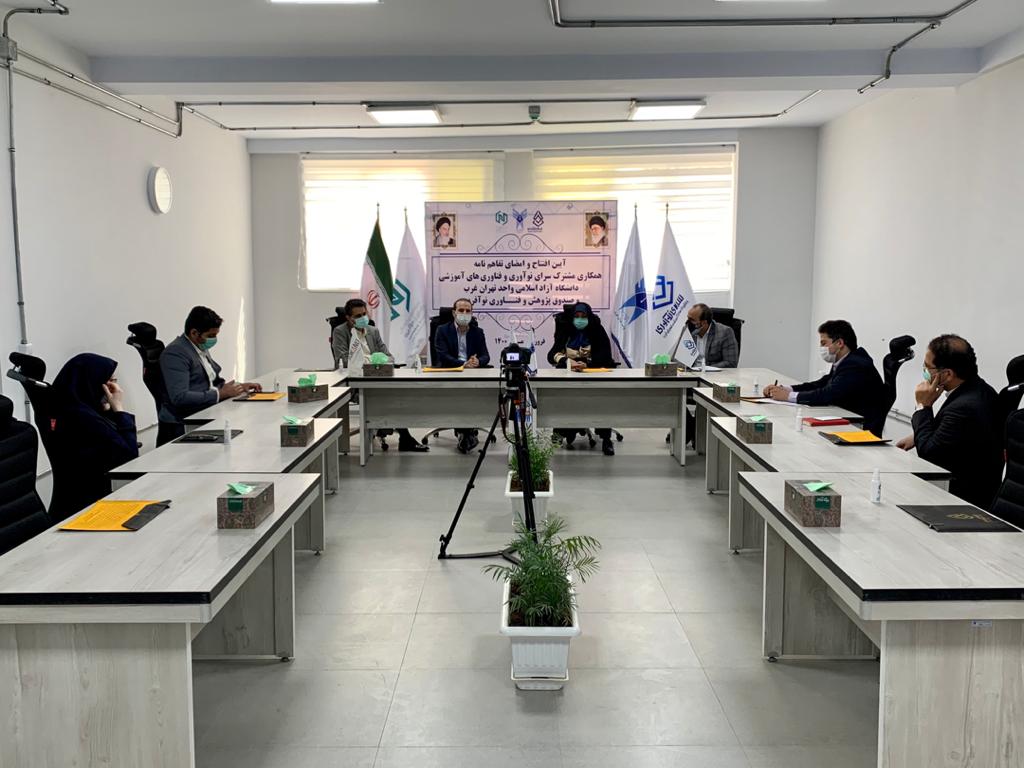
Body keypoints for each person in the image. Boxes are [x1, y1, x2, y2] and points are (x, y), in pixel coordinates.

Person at [896, 335, 1003, 508]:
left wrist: (923, 406)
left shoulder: (964, 407)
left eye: (927, 366)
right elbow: (953, 433)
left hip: (962, 498)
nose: (924, 370)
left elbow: (929, 453)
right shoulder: (978, 389)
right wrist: (917, 435)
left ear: (947, 374)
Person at [48, 353, 139, 522]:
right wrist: (119, 409)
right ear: (93, 382)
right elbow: (129, 458)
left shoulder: (69, 408)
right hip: (90, 509)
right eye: (109, 381)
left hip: (75, 503)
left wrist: (106, 410)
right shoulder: (82, 419)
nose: (114, 387)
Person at [333, 298, 429, 452]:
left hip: (377, 378)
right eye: (358, 316)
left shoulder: (373, 331)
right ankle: (403, 436)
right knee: (388, 395)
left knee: (396, 393)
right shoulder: (340, 332)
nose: (363, 318)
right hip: (355, 382)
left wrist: (379, 361)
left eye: (364, 314)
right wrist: (372, 360)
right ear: (348, 318)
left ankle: (401, 436)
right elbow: (343, 360)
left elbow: (389, 357)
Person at [158, 306, 262, 445]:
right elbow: (180, 397)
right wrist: (220, 394)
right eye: (210, 336)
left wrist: (239, 387)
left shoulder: (199, 346)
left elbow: (210, 381)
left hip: (207, 411)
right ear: (194, 333)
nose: (214, 339)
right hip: (182, 424)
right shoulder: (175, 353)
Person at [763, 320, 887, 436]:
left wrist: (788, 396)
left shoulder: (855, 364)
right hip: (845, 418)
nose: (821, 348)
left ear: (839, 343)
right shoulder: (846, 360)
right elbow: (821, 384)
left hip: (859, 428)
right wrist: (786, 389)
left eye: (824, 343)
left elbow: (828, 394)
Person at [547, 301, 617, 456]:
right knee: (560, 398)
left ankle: (606, 439)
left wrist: (587, 363)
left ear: (589, 317)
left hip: (594, 376)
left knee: (602, 402)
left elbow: (605, 356)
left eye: (583, 316)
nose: (580, 319)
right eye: (577, 316)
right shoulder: (565, 331)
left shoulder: (597, 330)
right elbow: (551, 355)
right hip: (569, 378)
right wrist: (567, 361)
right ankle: (561, 431)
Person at [434, 298, 491, 453]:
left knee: (471, 396)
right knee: (461, 396)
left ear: (472, 313)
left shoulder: (478, 332)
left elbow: (486, 356)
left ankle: (466, 432)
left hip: (472, 373)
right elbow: (443, 355)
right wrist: (462, 364)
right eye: (461, 310)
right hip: (450, 372)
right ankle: (465, 432)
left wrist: (478, 361)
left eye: (468, 311)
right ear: (454, 313)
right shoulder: (442, 330)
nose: (464, 313)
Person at [683, 303, 738, 369]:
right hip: (690, 373)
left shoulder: (725, 332)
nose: (688, 322)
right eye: (688, 318)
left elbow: (731, 363)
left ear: (704, 323)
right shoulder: (688, 332)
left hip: (712, 374)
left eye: (692, 320)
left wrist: (705, 369)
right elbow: (682, 359)